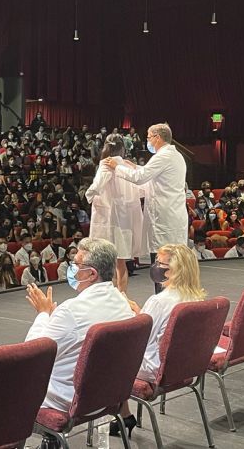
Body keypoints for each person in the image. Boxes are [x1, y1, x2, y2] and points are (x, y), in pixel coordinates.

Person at [24, 237, 133, 413]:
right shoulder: (121, 301)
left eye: (76, 264)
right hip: (110, 393)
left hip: (69, 398)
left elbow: (32, 355)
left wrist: (43, 313)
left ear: (91, 274)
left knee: (4, 383)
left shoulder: (71, 311)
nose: (72, 269)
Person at [112, 243, 206, 436]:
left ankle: (120, 415)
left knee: (108, 354)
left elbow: (141, 337)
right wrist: (141, 313)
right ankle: (124, 415)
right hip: (186, 365)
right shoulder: (197, 299)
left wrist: (131, 316)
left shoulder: (159, 301)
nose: (155, 267)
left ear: (174, 270)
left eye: (159, 263)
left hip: (156, 368)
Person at [103, 123, 187, 261]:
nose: (147, 141)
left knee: (164, 265)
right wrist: (135, 167)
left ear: (157, 137)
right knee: (173, 263)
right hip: (173, 213)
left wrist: (117, 167)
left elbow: (140, 178)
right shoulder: (176, 155)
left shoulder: (163, 156)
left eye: (148, 138)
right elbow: (152, 179)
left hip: (164, 216)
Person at [86, 134, 149, 291]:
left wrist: (89, 194)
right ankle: (123, 295)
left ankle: (113, 295)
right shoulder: (127, 165)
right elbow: (142, 187)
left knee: (110, 262)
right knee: (121, 263)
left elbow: (98, 184)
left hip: (111, 218)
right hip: (127, 218)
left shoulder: (106, 164)